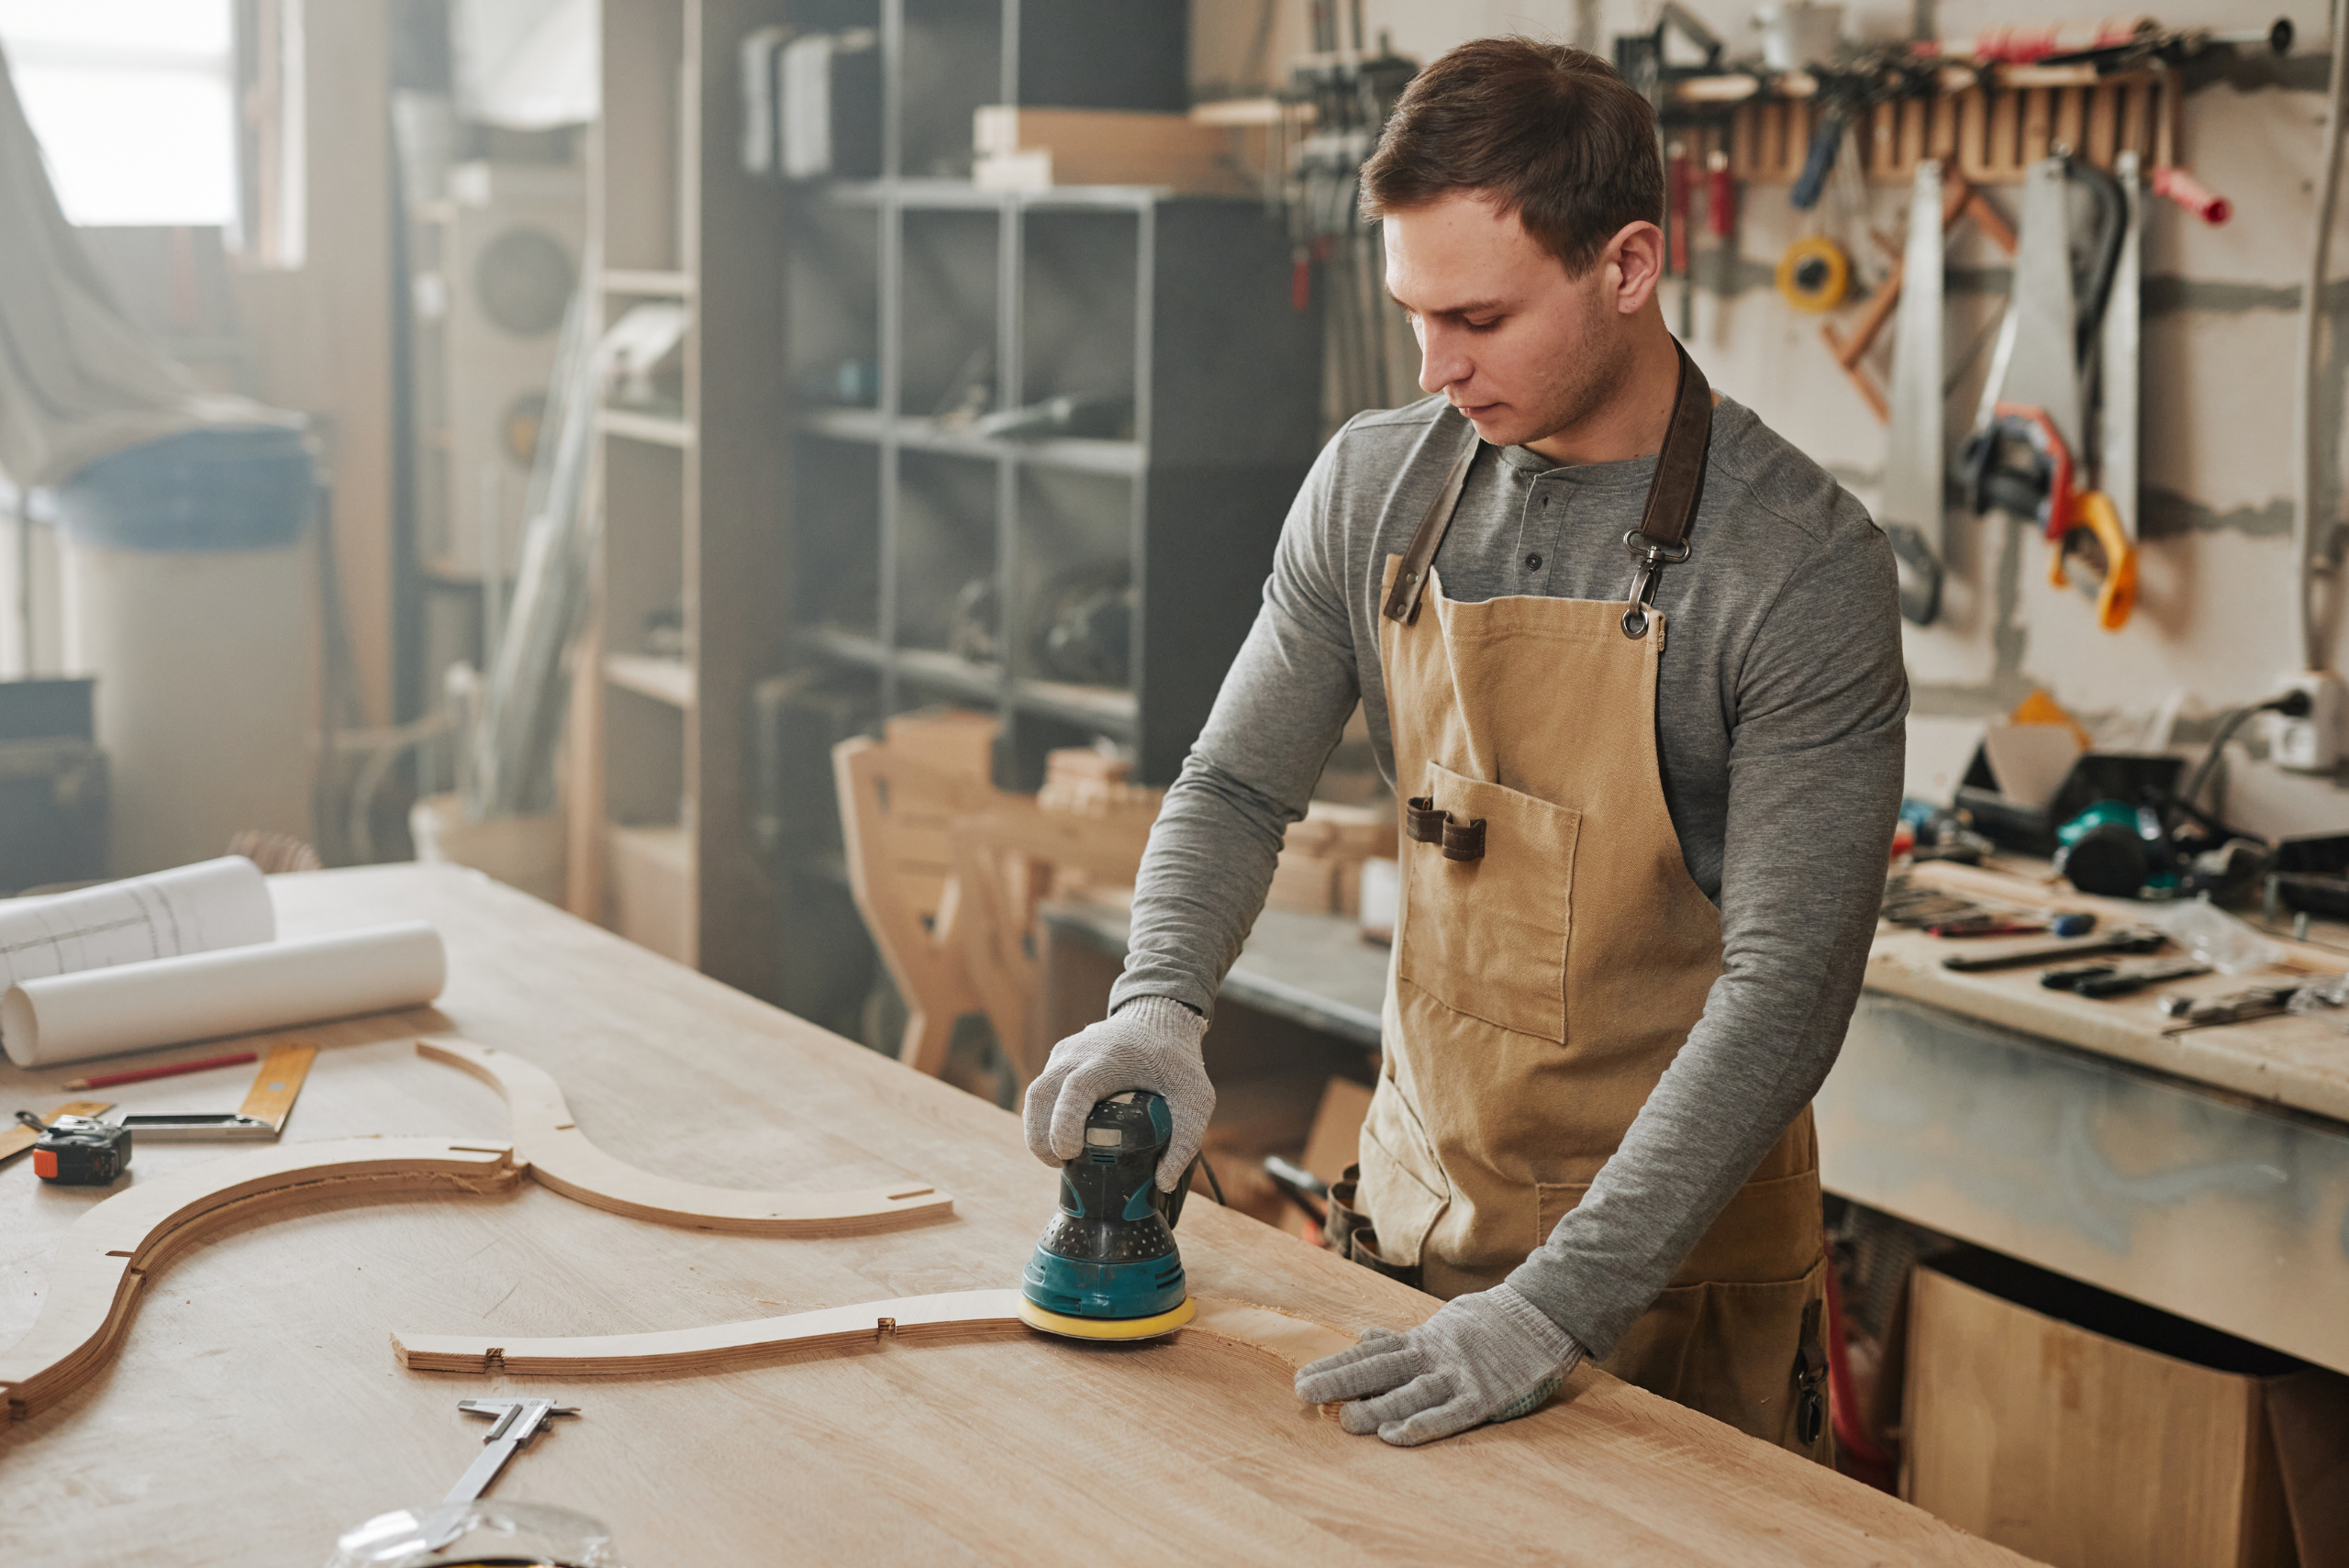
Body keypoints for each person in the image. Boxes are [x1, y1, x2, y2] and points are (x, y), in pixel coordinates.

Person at [1020, 37, 1906, 1455]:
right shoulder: (1375, 484)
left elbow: (1788, 995)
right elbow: (1238, 783)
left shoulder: (1797, 567)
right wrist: (1159, 1002)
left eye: (1479, 319)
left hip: (1668, 1293)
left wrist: (1553, 1309)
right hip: (1415, 1220)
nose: (1435, 369)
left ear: (1628, 267)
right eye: (1412, 312)